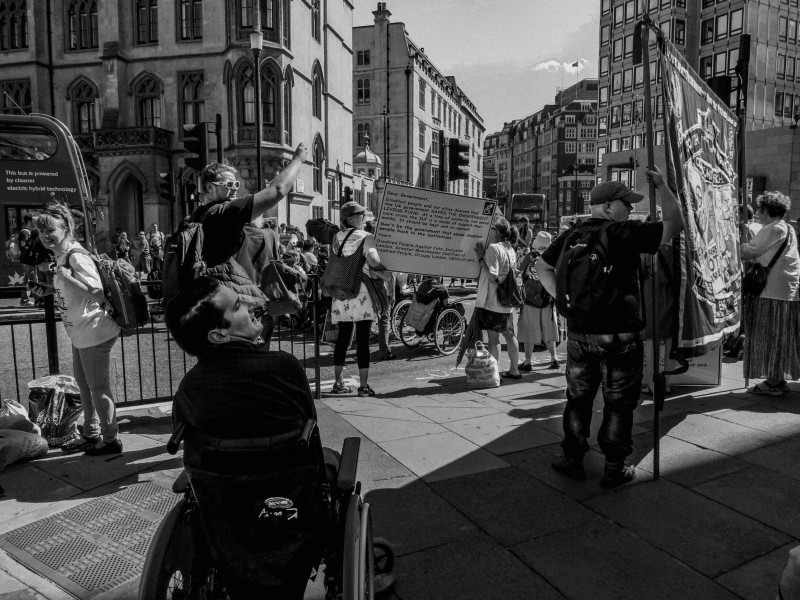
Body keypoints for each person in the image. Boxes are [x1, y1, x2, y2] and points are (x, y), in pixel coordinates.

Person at [165, 276, 317, 600]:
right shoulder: (285, 367)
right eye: (237, 305)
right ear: (219, 334)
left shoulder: (190, 389)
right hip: (290, 507)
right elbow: (311, 428)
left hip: (224, 521)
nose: (251, 304)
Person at [536, 168, 683, 488]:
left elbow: (541, 266)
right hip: (621, 334)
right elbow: (676, 224)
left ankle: (572, 458)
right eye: (625, 203)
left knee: (578, 399)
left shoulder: (571, 234)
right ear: (606, 207)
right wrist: (664, 187)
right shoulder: (623, 233)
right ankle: (614, 466)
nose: (631, 209)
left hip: (579, 333)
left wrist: (563, 302)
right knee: (618, 403)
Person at [34, 203, 123, 456]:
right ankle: (91, 432)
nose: (45, 236)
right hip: (80, 332)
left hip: (94, 331)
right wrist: (51, 289)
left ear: (66, 229)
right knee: (85, 386)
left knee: (98, 388)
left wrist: (66, 277)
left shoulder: (76, 255)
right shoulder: (62, 256)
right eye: (41, 232)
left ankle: (111, 440)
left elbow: (97, 293)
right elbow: (75, 291)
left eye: (50, 230)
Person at [192, 143, 307, 305]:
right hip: (229, 302)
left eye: (236, 184)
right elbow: (277, 190)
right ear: (210, 188)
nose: (234, 189)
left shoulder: (198, 214)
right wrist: (297, 160)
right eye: (229, 185)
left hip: (212, 296)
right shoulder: (222, 212)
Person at [741, 191, 800, 395]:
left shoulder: (773, 228)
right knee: (780, 338)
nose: (757, 213)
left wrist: (738, 240)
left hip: (772, 292)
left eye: (759, 209)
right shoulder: (787, 228)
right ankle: (777, 378)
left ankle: (773, 382)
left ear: (767, 210)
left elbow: (748, 252)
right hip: (785, 293)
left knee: (770, 337)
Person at [329, 201, 387, 396]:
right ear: (352, 218)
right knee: (363, 338)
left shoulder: (336, 237)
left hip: (341, 292)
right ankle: (363, 386)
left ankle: (338, 383)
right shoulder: (366, 237)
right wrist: (383, 267)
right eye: (361, 215)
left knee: (343, 338)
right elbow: (373, 260)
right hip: (361, 292)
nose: (364, 218)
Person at [473, 216, 521, 379]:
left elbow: (493, 276)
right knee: (509, 335)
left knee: (493, 339)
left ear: (496, 232)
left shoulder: (494, 248)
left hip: (494, 301)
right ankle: (514, 369)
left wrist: (481, 257)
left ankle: (494, 374)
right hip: (507, 302)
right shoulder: (510, 248)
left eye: (491, 230)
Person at [517, 231, 559, 371]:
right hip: (548, 297)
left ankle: (528, 361)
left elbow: (520, 273)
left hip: (530, 298)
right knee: (549, 330)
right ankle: (554, 358)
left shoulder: (530, 256)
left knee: (530, 330)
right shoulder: (552, 256)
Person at [18, 215, 39, 306]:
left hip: (27, 261)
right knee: (32, 279)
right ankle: (33, 300)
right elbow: (23, 246)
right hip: (27, 261)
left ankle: (25, 300)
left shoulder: (28, 232)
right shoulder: (25, 232)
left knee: (28, 280)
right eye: (34, 221)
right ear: (29, 222)